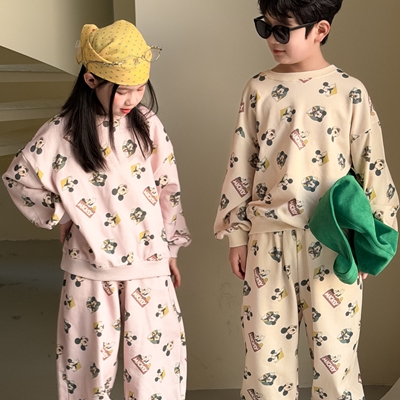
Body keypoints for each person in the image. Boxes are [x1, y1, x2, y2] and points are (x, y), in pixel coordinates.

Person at [213, 1, 398, 399]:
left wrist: (373, 245)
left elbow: (373, 167)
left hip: (335, 242)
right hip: (267, 240)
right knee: (264, 363)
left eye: (283, 30)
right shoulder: (258, 89)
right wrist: (237, 236)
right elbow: (241, 164)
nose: (272, 39)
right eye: (265, 27)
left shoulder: (350, 91)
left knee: (336, 360)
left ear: (321, 30)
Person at [2, 20, 190, 400]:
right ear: (91, 80)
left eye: (140, 88)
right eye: (123, 89)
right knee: (84, 373)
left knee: (158, 374)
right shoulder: (63, 131)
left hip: (148, 267)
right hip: (88, 272)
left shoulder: (148, 126)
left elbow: (167, 188)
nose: (132, 98)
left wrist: (171, 248)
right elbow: (19, 178)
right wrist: (62, 212)